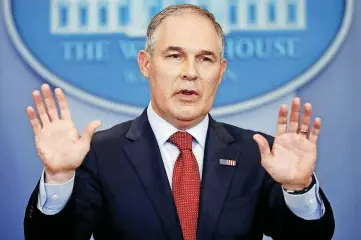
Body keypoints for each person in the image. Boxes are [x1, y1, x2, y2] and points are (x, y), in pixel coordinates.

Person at [24, 4, 334, 240]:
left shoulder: (258, 153)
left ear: (221, 71)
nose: (190, 72)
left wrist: (297, 189)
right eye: (174, 56)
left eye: (206, 58)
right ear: (146, 64)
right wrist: (60, 176)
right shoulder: (100, 154)